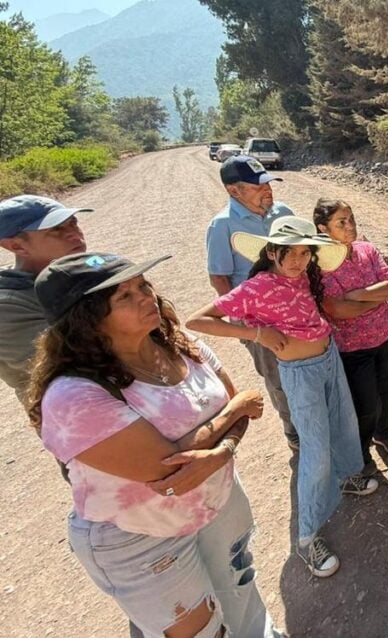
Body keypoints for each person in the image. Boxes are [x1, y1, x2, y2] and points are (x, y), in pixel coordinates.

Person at [28, 252, 281, 637]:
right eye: (124, 297)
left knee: (239, 587)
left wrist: (222, 452)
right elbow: (165, 466)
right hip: (141, 537)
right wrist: (229, 418)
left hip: (217, 501)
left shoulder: (179, 343)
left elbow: (242, 406)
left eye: (143, 286)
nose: (146, 297)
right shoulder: (73, 396)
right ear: (87, 321)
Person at [187, 216, 376, 579]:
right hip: (300, 373)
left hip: (328, 358)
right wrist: (258, 334)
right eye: (290, 253)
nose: (298, 260)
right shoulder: (256, 287)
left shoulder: (306, 276)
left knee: (344, 423)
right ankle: (307, 538)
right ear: (272, 252)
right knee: (316, 450)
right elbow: (197, 321)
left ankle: (348, 477)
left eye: (305, 253)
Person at [206, 155, 299, 450]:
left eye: (268, 183)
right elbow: (219, 279)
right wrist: (247, 326)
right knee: (279, 377)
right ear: (234, 191)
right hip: (259, 322)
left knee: (306, 368)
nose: (267, 190)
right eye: (258, 186)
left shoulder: (282, 213)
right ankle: (294, 431)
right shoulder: (222, 226)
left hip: (297, 311)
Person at [314, 198, 388, 476]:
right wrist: (373, 299)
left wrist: (359, 296)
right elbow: (336, 309)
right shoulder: (320, 265)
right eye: (341, 222)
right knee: (364, 404)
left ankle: (384, 431)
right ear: (322, 228)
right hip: (354, 348)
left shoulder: (366, 249)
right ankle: (362, 451)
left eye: (351, 218)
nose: (350, 226)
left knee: (387, 390)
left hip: (386, 334)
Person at [0, 195, 89, 405]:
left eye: (73, 223)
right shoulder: (8, 306)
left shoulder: (76, 269)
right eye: (56, 229)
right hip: (79, 413)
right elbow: (69, 362)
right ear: (17, 246)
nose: (74, 234)